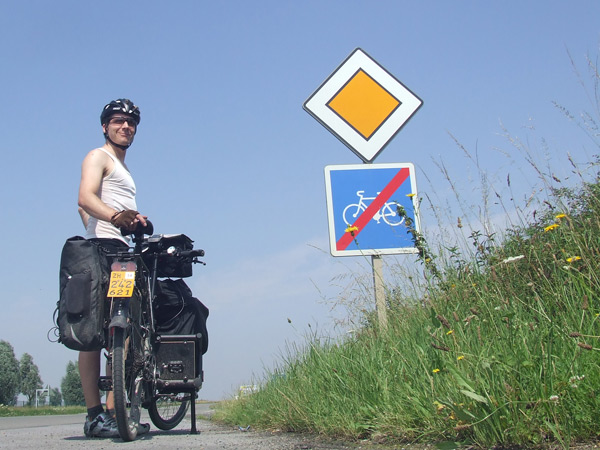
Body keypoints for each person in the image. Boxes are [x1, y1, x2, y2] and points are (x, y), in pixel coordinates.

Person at [77, 98, 149, 438]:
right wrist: (113, 218)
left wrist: (133, 219)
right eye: (118, 121)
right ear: (105, 126)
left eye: (131, 122)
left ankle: (112, 411)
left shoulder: (125, 170)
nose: (126, 127)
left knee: (121, 325)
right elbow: (85, 198)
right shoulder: (98, 156)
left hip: (122, 254)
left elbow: (96, 208)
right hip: (101, 252)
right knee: (92, 334)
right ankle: (94, 415)